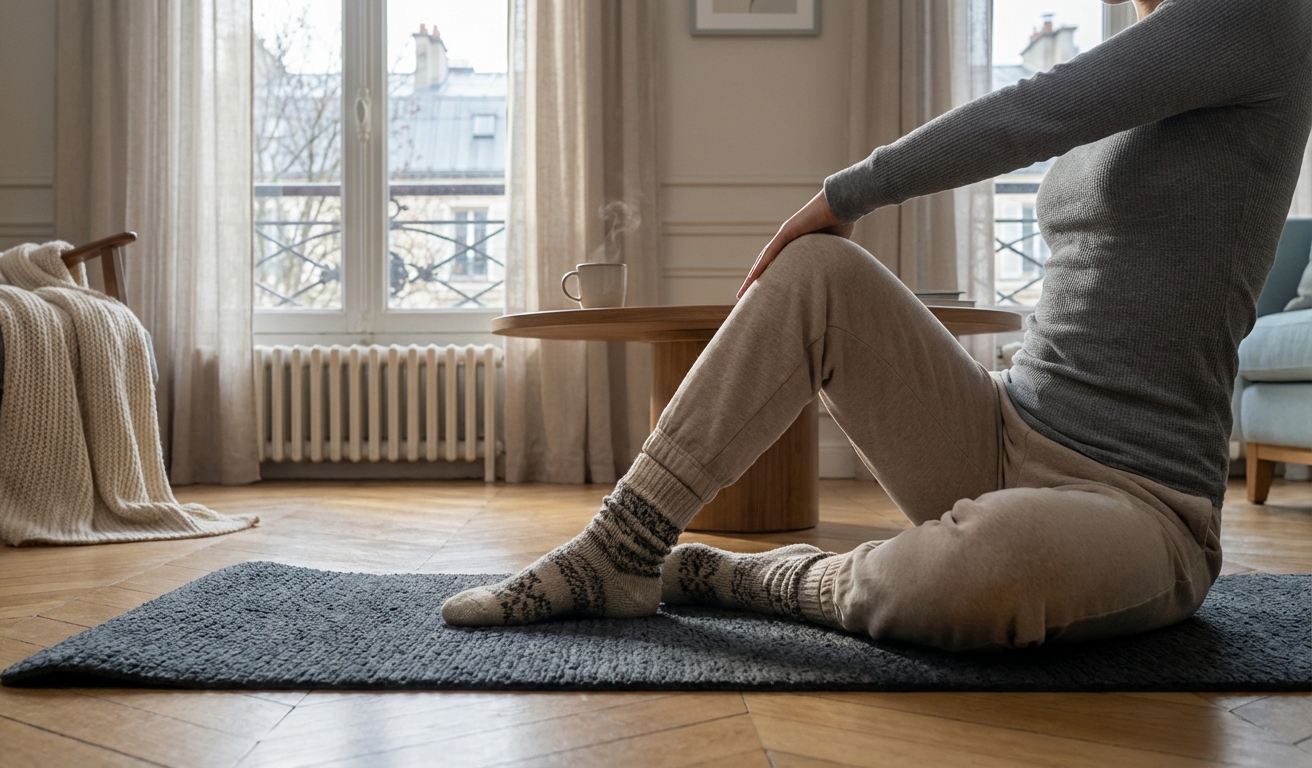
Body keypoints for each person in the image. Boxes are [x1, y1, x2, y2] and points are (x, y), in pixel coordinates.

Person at [441, 0, 1312, 651]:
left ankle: (750, 577)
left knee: (983, 573)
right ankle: (621, 546)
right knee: (820, 270)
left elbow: (1033, 112)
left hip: (1139, 504)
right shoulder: (1155, 48)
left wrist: (847, 191)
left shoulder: (1264, 16)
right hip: (1004, 430)